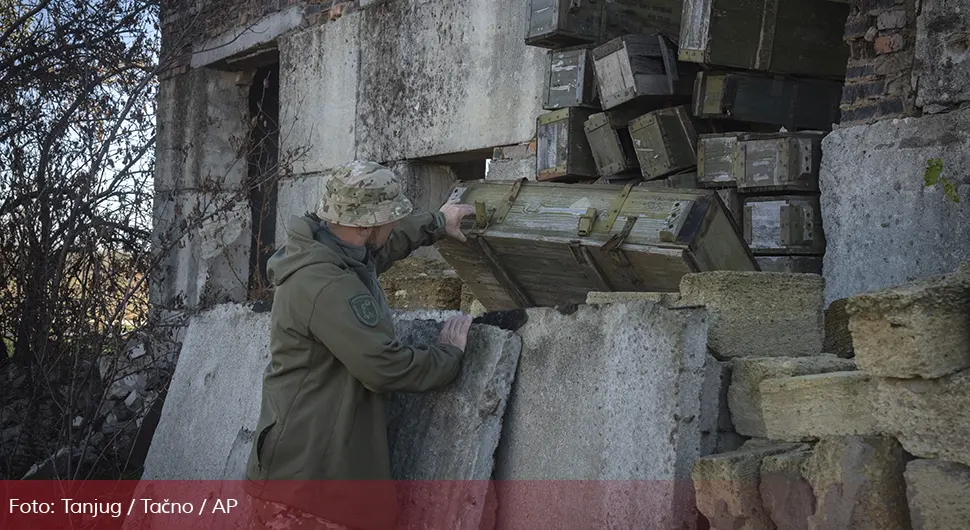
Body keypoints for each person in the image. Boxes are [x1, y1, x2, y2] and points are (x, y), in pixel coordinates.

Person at [242, 160, 476, 530]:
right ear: (366, 225)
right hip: (310, 489)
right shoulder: (327, 284)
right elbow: (383, 367)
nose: (395, 224)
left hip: (302, 471)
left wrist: (436, 223)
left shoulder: (329, 250)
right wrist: (449, 355)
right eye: (390, 219)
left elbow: (379, 251)